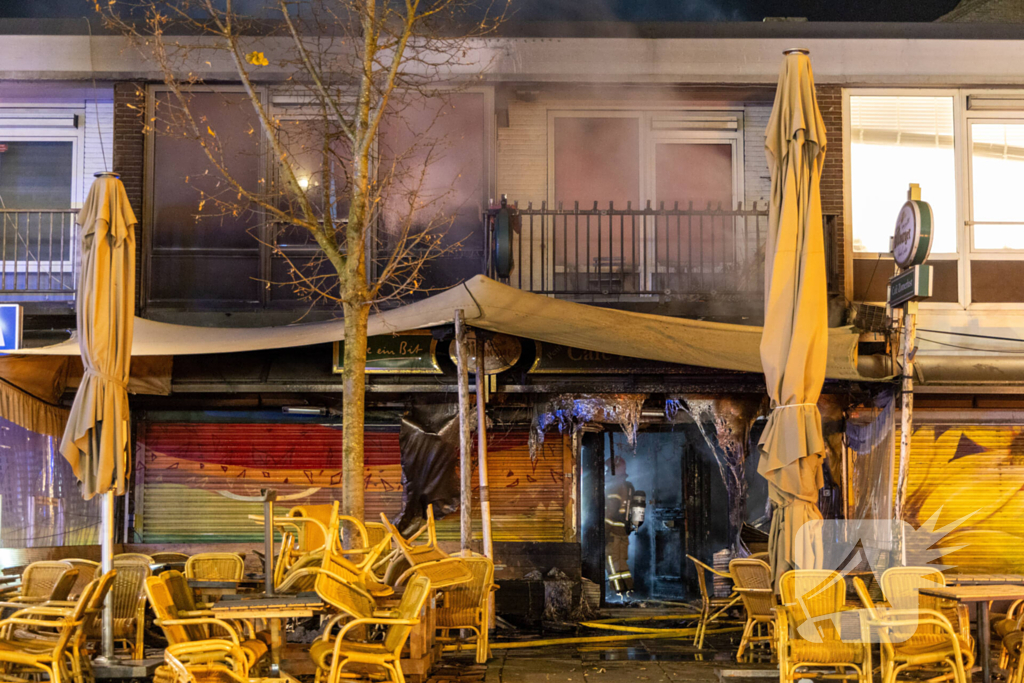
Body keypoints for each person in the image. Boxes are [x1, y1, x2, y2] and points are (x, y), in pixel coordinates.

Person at [604, 455, 634, 597]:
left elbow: (610, 512)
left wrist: (604, 531)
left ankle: (617, 593)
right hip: (624, 532)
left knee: (611, 561)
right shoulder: (628, 486)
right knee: (622, 563)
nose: (606, 472)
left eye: (608, 469)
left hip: (613, 533)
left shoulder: (613, 487)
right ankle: (628, 591)